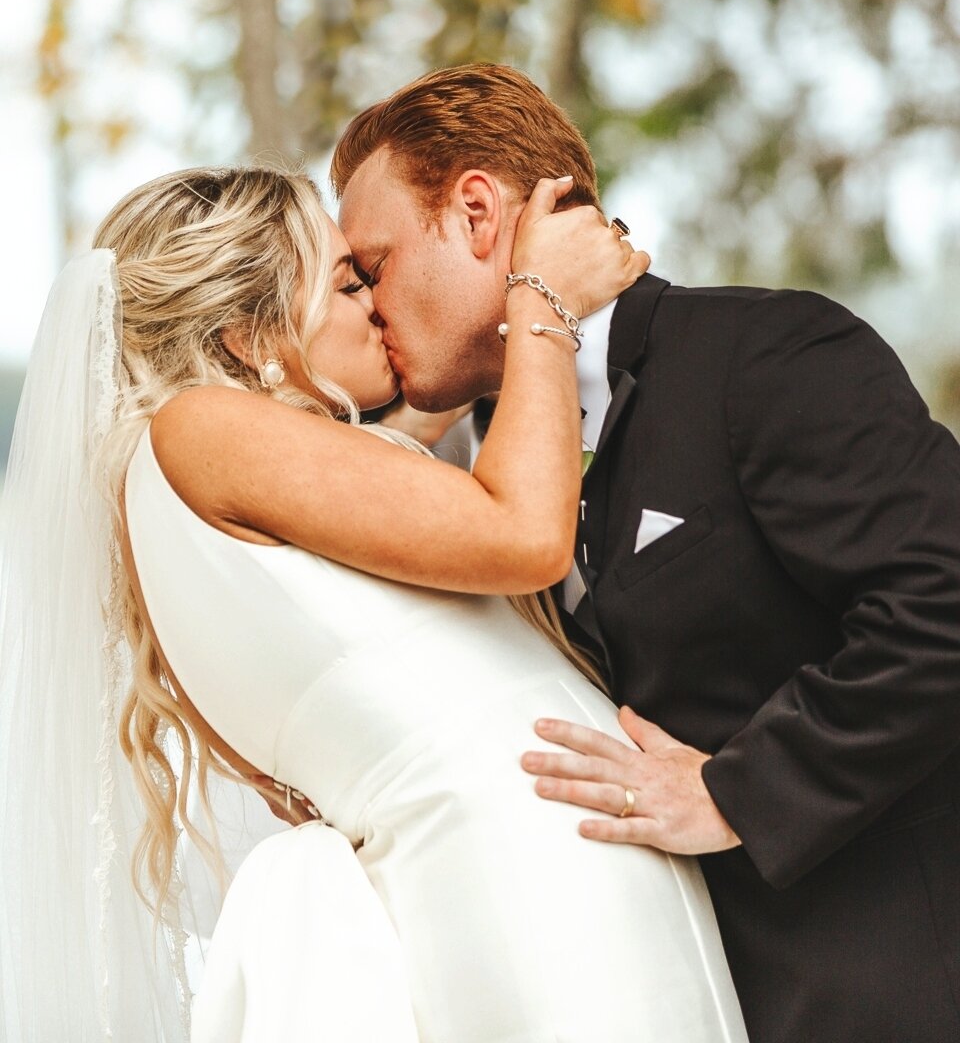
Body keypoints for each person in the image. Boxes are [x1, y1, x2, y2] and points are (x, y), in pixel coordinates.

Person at [0, 165, 749, 1043]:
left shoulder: (218, 475)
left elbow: (414, 453)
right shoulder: (197, 430)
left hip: (552, 863)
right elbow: (519, 533)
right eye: (348, 282)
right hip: (524, 883)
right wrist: (537, 298)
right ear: (248, 337)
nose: (374, 305)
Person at [331, 63, 960, 1043]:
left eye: (373, 266)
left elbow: (943, 606)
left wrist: (733, 791)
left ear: (476, 213)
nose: (368, 304)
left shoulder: (764, 354)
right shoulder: (479, 464)